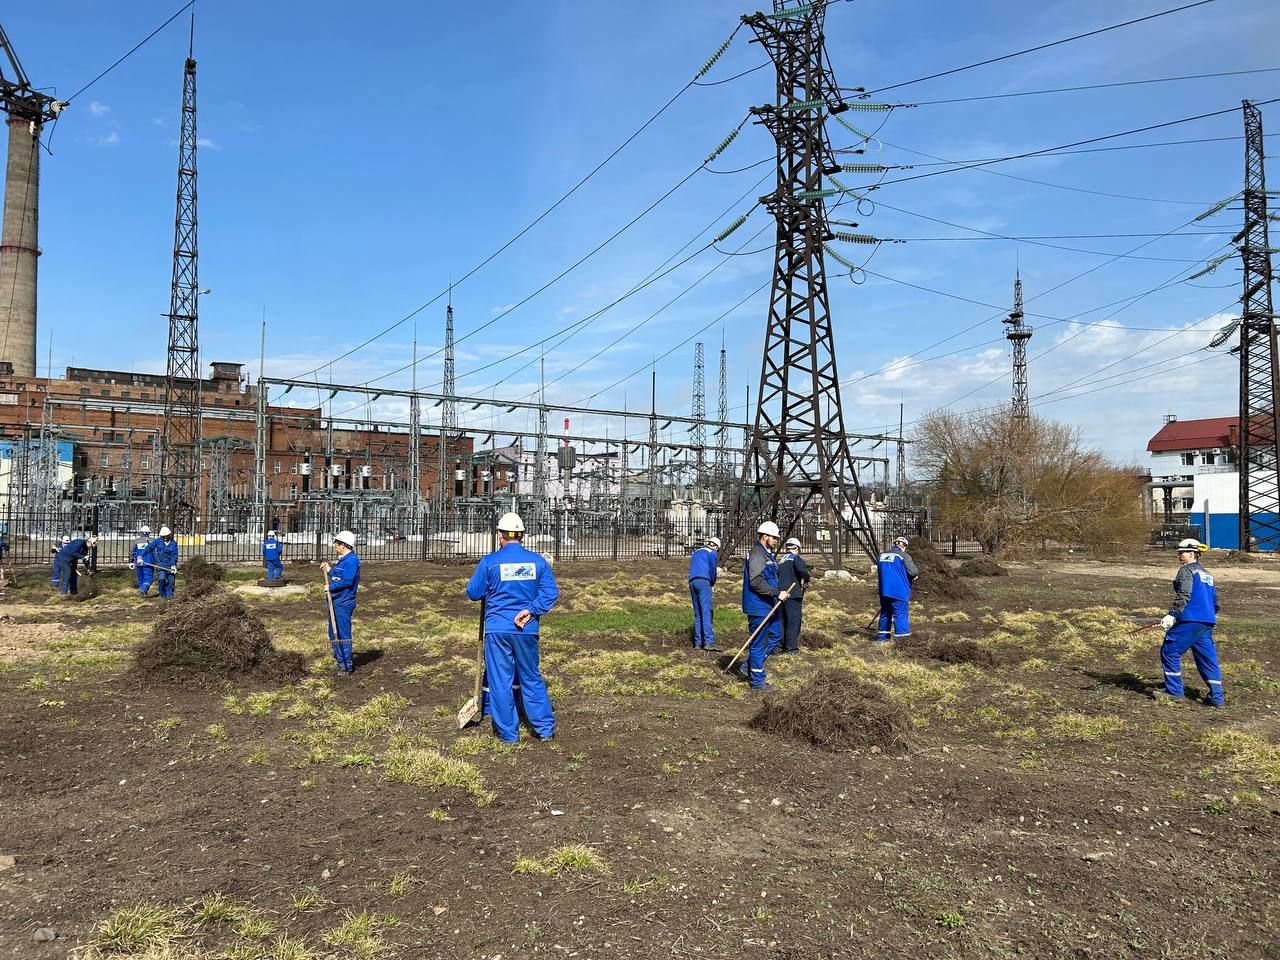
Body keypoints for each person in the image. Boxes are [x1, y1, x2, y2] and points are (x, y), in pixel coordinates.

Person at [466, 512, 559, 743]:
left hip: (497, 630)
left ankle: (508, 735)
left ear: (500, 536)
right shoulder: (537, 562)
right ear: (522, 535)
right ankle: (544, 729)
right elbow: (551, 593)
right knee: (531, 677)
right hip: (527, 629)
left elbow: (473, 592)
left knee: (500, 681)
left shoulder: (489, 562)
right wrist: (532, 609)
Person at [1155, 538, 1225, 707]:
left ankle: (1174, 692)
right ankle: (1217, 697)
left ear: (1192, 553)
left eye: (1182, 552)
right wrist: (1208, 616)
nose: (1179, 555)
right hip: (1206, 621)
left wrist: (1172, 614)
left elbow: (1184, 594)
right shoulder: (1208, 575)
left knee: (1170, 651)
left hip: (1190, 619)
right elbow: (1215, 601)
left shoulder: (1186, 571)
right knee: (1207, 658)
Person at [740, 521, 791, 692]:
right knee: (759, 643)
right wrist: (776, 593)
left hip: (769, 604)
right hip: (758, 605)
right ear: (765, 536)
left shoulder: (767, 554)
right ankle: (757, 682)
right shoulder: (757, 554)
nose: (776, 540)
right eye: (774, 537)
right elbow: (755, 581)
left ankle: (748, 666)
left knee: (776, 635)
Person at [321, 530, 361, 675]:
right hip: (335, 601)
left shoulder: (352, 561)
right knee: (333, 633)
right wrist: (329, 569)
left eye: (336, 543)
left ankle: (346, 665)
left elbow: (347, 581)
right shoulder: (343, 560)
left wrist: (330, 587)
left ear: (344, 545)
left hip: (344, 602)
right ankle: (340, 662)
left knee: (342, 634)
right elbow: (338, 575)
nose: (335, 545)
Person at [876, 536, 918, 643]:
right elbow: (913, 572)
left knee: (885, 613)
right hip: (899, 591)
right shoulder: (904, 556)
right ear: (904, 546)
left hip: (884, 590)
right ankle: (902, 641)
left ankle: (882, 639)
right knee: (900, 614)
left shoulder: (881, 556)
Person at [777, 537, 812, 653]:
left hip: (780, 594)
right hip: (793, 594)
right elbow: (802, 571)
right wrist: (806, 579)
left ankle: (779, 646)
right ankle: (791, 648)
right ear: (796, 548)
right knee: (793, 620)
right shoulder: (796, 559)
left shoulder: (781, 560)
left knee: (782, 620)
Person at [688, 535, 721, 652]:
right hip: (703, 580)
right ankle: (709, 641)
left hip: (692, 581)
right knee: (706, 611)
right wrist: (712, 583)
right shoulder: (712, 553)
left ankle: (698, 642)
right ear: (716, 547)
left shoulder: (696, 552)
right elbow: (712, 570)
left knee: (698, 613)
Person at [148, 526, 180, 600]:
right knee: (162, 579)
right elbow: (149, 548)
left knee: (171, 581)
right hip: (161, 565)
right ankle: (162, 594)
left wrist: (173, 565)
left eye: (166, 536)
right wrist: (140, 556)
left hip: (170, 566)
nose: (165, 537)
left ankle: (169, 596)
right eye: (163, 536)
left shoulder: (173, 544)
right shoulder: (158, 542)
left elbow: (174, 555)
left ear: (169, 535)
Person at [129, 525, 154, 597]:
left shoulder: (136, 541)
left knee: (141, 578)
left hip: (138, 562)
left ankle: (142, 593)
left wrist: (131, 561)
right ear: (149, 533)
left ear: (141, 533)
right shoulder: (152, 541)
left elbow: (132, 552)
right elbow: (156, 552)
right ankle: (143, 590)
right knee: (148, 578)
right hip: (148, 563)